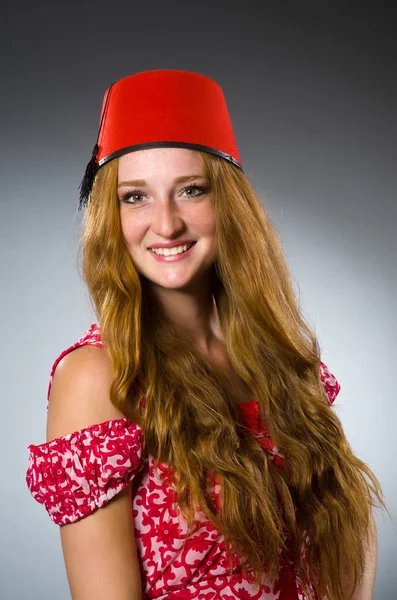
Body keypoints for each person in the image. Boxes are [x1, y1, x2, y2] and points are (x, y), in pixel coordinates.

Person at [26, 69, 387, 600]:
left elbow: (349, 533)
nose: (166, 224)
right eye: (135, 197)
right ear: (111, 215)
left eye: (191, 190)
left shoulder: (284, 360)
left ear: (230, 206)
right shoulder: (99, 378)